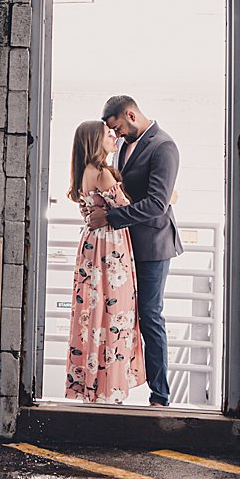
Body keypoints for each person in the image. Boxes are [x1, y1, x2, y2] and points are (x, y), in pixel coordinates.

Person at [82, 96, 181, 407]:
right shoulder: (125, 146)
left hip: (153, 245)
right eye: (114, 131)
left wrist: (110, 218)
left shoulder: (164, 146)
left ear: (130, 114)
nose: (118, 135)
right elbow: (125, 189)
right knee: (119, 317)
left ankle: (160, 396)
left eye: (119, 128)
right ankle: (115, 386)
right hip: (121, 249)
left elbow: (156, 204)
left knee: (150, 316)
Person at [63, 119, 146, 404]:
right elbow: (127, 210)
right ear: (95, 142)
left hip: (91, 246)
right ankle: (110, 389)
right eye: (108, 134)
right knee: (115, 314)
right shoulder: (102, 174)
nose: (113, 137)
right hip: (111, 249)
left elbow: (89, 211)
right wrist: (169, 197)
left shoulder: (83, 173)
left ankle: (93, 387)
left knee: (93, 313)